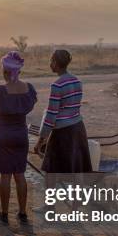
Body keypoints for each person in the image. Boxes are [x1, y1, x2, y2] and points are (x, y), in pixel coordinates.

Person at [0, 51, 37, 224]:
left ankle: (4, 213)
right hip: (21, 135)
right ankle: (22, 213)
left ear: (5, 72)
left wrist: (2, 113)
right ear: (19, 71)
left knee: (5, 175)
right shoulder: (29, 89)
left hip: (4, 134)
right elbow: (28, 107)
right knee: (20, 174)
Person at [34, 49, 92, 180]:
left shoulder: (57, 85)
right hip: (78, 129)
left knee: (51, 173)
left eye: (51, 61)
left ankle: (51, 200)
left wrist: (40, 140)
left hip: (62, 133)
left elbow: (51, 115)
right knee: (77, 170)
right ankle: (78, 200)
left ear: (55, 62)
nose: (50, 63)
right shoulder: (77, 81)